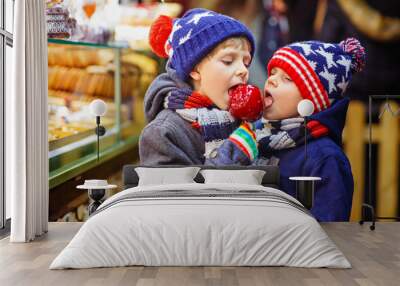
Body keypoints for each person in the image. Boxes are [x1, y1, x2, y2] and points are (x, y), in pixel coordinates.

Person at [254, 37, 366, 221]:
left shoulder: (325, 157)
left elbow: (330, 226)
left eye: (287, 78)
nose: (272, 80)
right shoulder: (257, 139)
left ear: (311, 101)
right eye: (272, 73)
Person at [139, 8, 258, 165]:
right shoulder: (162, 133)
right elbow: (178, 190)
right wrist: (235, 153)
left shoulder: (241, 121)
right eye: (228, 61)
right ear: (194, 69)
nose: (243, 70)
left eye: (246, 62)